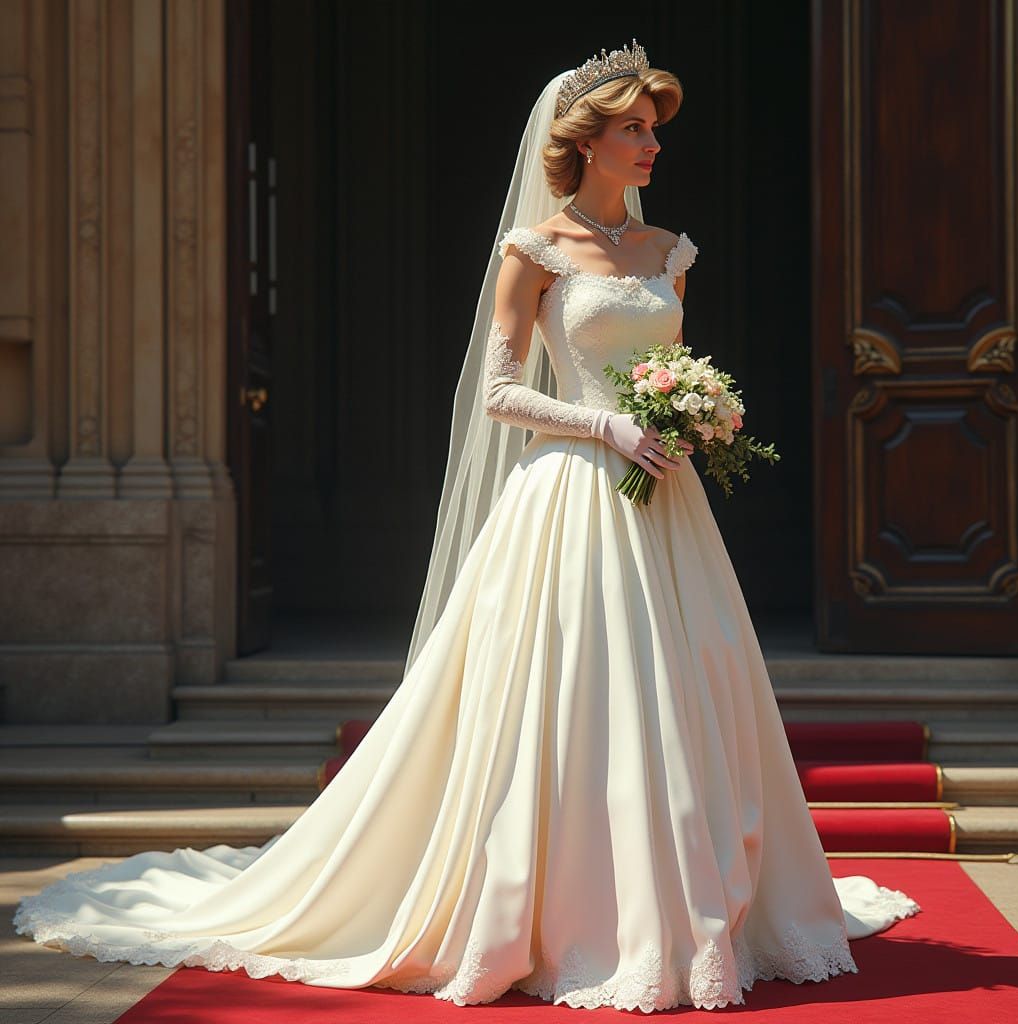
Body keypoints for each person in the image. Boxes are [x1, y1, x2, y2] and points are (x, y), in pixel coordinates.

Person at [13, 40, 920, 1013]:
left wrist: (693, 415)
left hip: (664, 505)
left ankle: (693, 903)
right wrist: (604, 422)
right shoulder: (533, 252)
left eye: (654, 127)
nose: (652, 142)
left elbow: (666, 366)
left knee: (684, 685)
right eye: (634, 127)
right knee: (575, 693)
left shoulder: (668, 255)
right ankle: (565, 916)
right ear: (586, 141)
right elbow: (497, 394)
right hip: (570, 495)